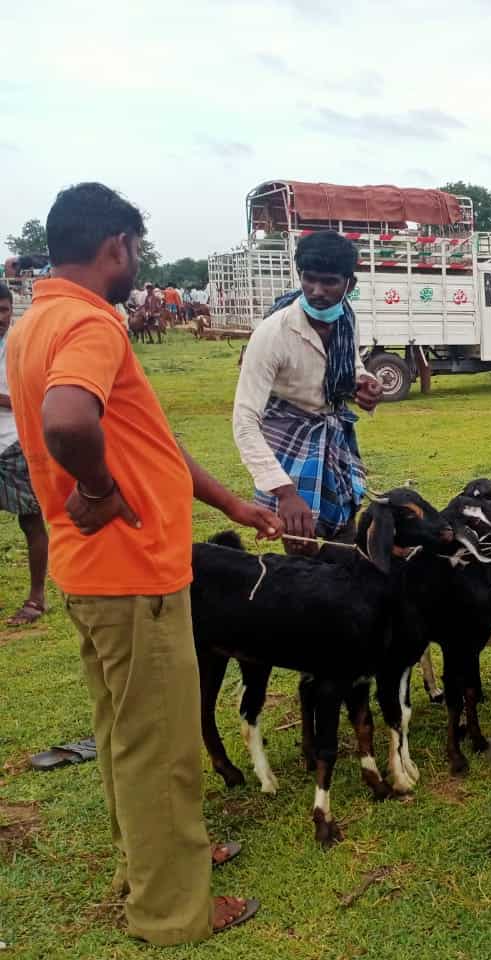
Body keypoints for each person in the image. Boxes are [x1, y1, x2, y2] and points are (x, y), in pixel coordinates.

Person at [5, 182, 282, 943]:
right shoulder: (91, 326)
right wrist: (96, 486)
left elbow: (149, 443)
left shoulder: (38, 321)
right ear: (115, 248)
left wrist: (231, 505)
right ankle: (171, 911)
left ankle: (165, 859)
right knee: (159, 746)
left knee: (131, 736)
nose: (138, 263)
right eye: (136, 250)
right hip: (132, 575)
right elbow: (68, 420)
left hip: (95, 574)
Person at [232, 230, 382, 549]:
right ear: (299, 276)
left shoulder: (346, 321)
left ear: (349, 285)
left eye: (329, 282)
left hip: (331, 436)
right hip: (290, 441)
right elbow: (244, 421)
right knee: (302, 543)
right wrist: (284, 492)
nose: (317, 291)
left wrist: (364, 381)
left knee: (344, 533)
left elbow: (350, 364)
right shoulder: (273, 333)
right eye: (309, 279)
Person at [0, 282, 49, 625]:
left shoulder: (21, 344)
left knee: (31, 521)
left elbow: (35, 397)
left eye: (4, 310)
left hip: (17, 441)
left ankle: (36, 597)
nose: (0, 318)